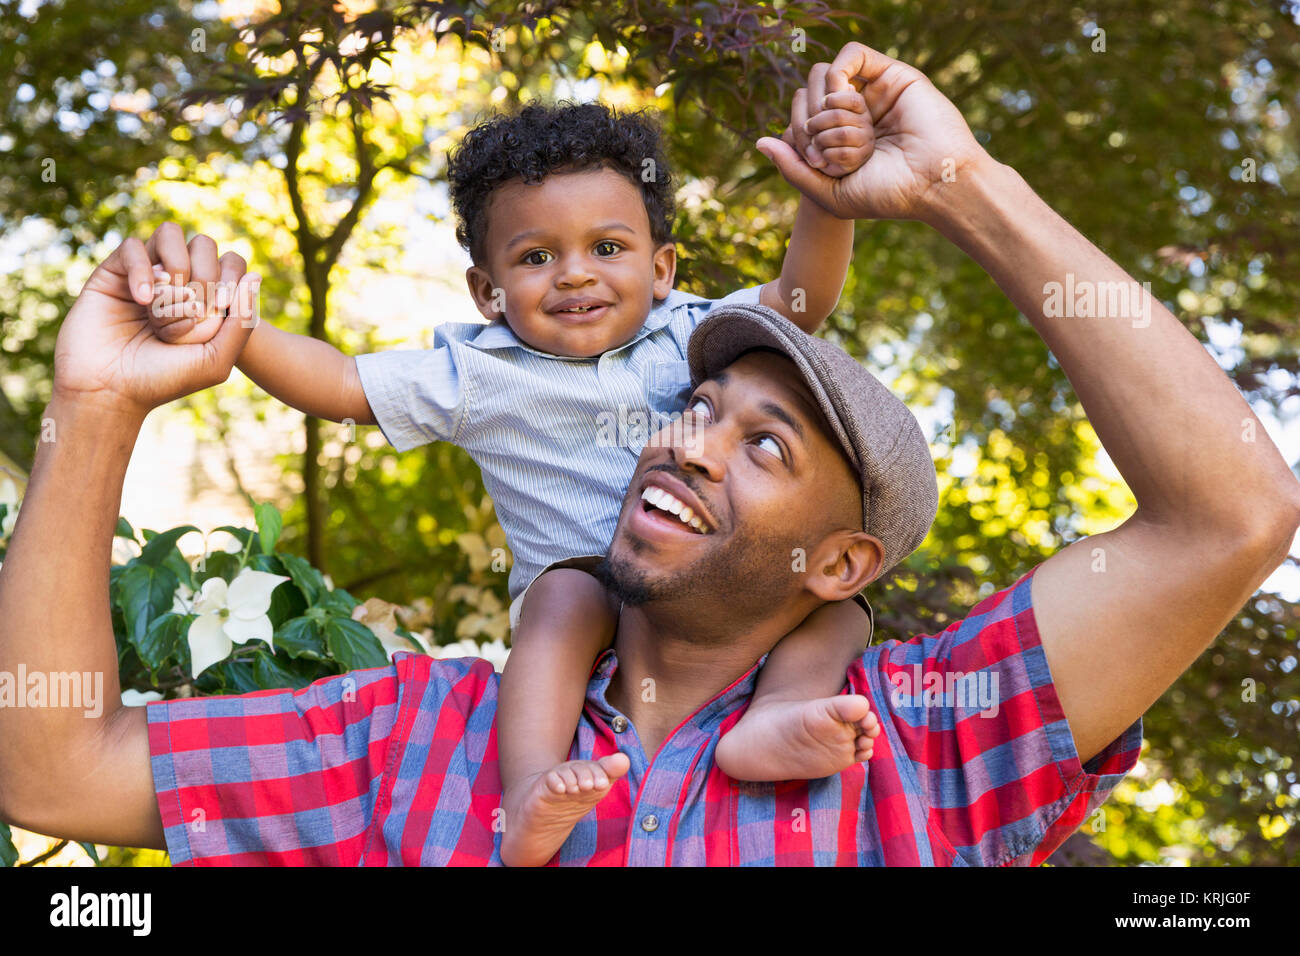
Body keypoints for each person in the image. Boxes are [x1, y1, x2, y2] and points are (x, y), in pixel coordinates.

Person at [2, 41, 1296, 866]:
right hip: (523, 706)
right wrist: (99, 410)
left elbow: (1228, 513)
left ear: (841, 557)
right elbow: (48, 767)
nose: (683, 439)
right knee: (559, 598)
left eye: (765, 442)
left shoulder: (914, 744)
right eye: (694, 409)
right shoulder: (410, 744)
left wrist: (962, 189)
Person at [147, 97, 888, 867]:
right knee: (567, 595)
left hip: (699, 585)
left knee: (837, 609)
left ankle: (778, 717)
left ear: (661, 267)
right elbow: (338, 382)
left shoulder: (694, 332)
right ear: (487, 291)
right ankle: (532, 790)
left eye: (607, 247)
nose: (574, 274)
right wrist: (234, 330)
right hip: (583, 589)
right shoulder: (482, 373)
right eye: (536, 258)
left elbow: (805, 300)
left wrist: (824, 197)